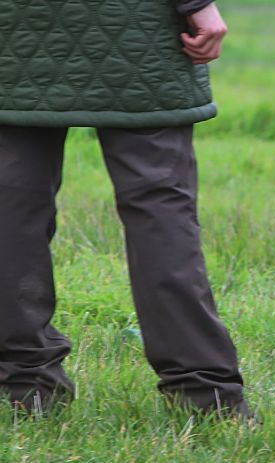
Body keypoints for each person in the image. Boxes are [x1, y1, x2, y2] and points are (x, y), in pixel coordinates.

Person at [0, 1, 251, 419]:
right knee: (160, 208)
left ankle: (26, 389)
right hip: (135, 25)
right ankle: (205, 396)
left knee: (9, 207)